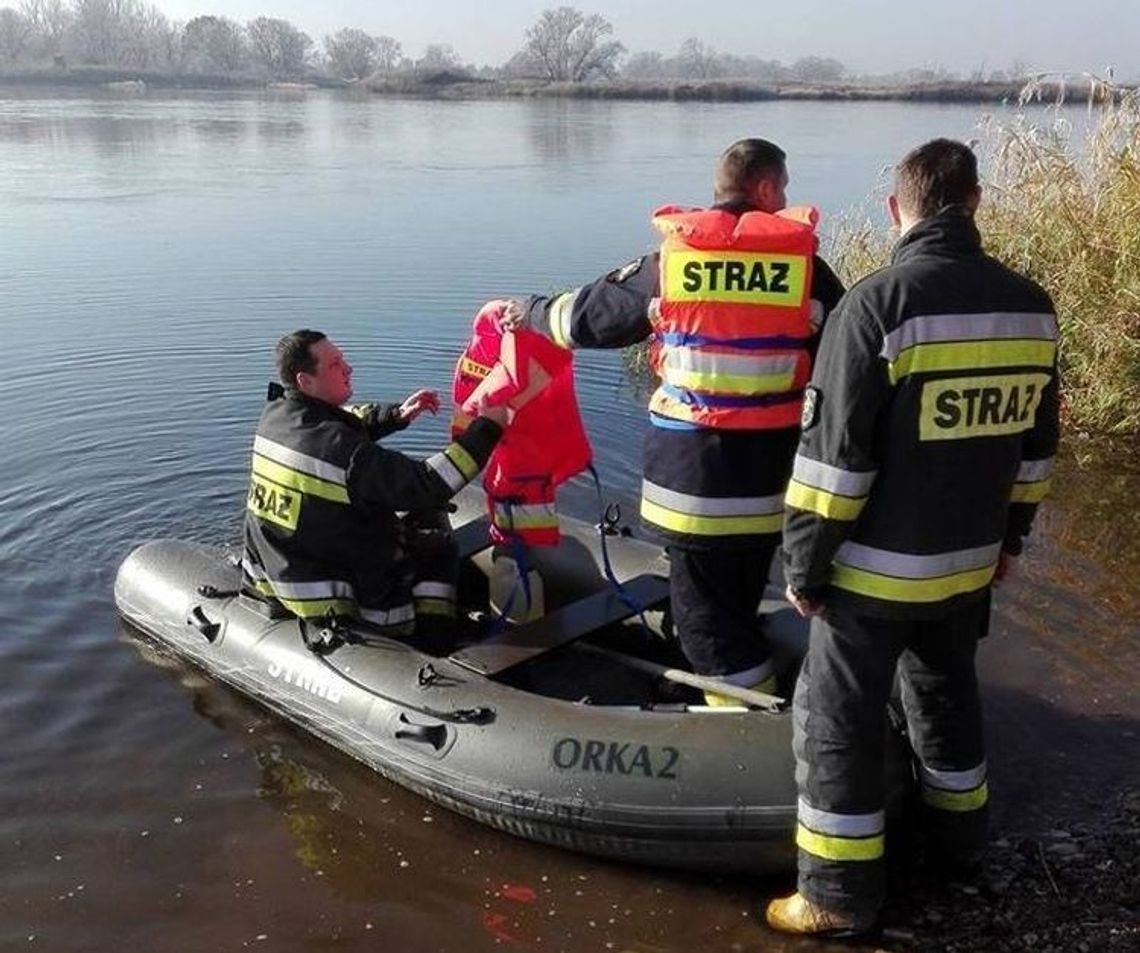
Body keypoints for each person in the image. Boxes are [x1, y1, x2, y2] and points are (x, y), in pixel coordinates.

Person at [768, 139, 1060, 937]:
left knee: (834, 717)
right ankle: (961, 843)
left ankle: (834, 893)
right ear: (975, 203)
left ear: (897, 209)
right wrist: (1010, 543)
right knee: (945, 694)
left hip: (874, 576)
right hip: (967, 568)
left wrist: (805, 565)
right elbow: (1035, 453)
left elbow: (832, 466)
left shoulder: (878, 306)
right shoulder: (1031, 305)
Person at [506, 138, 844, 702]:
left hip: (696, 489)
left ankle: (738, 735)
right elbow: (847, 349)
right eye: (781, 188)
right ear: (763, 189)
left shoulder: (675, 260)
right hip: (773, 487)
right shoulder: (806, 266)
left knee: (706, 629)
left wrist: (531, 312)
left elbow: (587, 318)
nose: (785, 200)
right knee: (736, 595)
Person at [242, 329, 506, 650]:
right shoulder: (344, 454)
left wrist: (395, 415)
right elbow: (428, 484)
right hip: (338, 597)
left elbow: (346, 420)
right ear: (305, 381)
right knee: (439, 548)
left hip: (282, 569)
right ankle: (432, 638)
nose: (349, 368)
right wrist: (490, 427)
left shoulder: (277, 416)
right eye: (336, 364)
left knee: (413, 520)